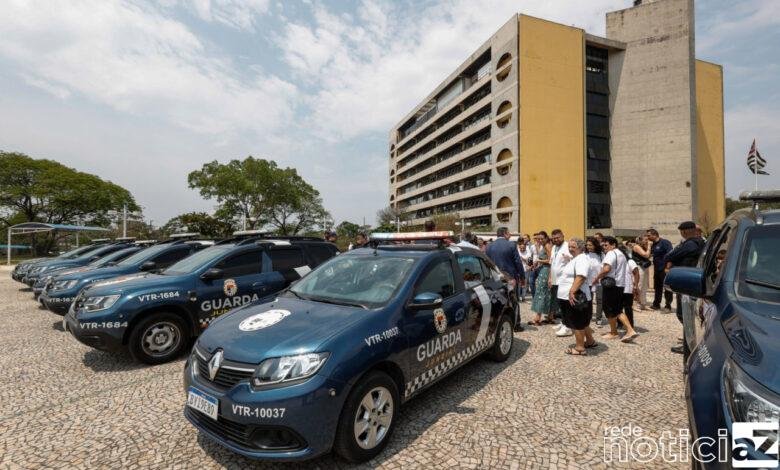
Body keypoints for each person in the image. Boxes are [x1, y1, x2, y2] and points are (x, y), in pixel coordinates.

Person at [664, 221, 706, 354]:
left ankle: (690, 344)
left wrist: (673, 257)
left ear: (685, 231)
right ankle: (691, 339)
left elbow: (669, 256)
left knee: (684, 314)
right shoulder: (701, 242)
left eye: (681, 231)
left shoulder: (690, 244)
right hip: (693, 280)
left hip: (686, 281)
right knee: (689, 314)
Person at [594, 236, 638, 342]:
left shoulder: (611, 253)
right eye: (603, 245)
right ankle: (614, 331)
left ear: (613, 245)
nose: (604, 247)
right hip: (619, 285)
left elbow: (606, 269)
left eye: (606, 245)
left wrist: (597, 278)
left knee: (613, 309)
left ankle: (629, 330)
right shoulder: (621, 254)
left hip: (611, 285)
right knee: (614, 309)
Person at [557, 238, 597, 356]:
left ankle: (580, 348)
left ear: (580, 248)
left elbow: (581, 276)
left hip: (574, 296)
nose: (570, 249)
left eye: (573, 247)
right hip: (570, 296)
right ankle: (590, 341)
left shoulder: (582, 259)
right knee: (582, 321)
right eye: (569, 246)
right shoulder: (577, 259)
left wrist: (572, 291)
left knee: (577, 322)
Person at [486, 227, 525, 331]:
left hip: (494, 279)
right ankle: (516, 324)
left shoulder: (489, 246)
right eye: (509, 233)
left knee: (497, 300)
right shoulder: (511, 245)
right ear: (505, 234)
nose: (510, 235)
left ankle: (496, 324)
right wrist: (522, 277)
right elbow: (518, 262)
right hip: (510, 278)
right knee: (513, 300)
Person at [549, 229, 573, 337]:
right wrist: (550, 278)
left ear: (563, 236)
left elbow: (575, 259)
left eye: (558, 237)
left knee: (565, 304)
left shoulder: (568, 246)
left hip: (565, 281)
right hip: (555, 280)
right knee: (560, 303)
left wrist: (570, 258)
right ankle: (563, 322)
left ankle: (568, 327)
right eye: (554, 238)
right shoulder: (554, 247)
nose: (556, 240)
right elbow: (552, 263)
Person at [529, 231, 553, 326]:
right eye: (538, 238)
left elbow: (551, 260)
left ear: (546, 238)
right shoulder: (544, 245)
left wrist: (538, 260)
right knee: (547, 293)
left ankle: (537, 318)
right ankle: (550, 317)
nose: (540, 240)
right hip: (544, 269)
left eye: (542, 238)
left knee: (540, 292)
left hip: (546, 271)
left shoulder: (547, 246)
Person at [646, 228, 673, 312]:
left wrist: (668, 268)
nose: (647, 237)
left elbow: (670, 255)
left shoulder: (665, 243)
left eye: (649, 235)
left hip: (665, 269)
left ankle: (668, 306)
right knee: (657, 287)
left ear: (655, 235)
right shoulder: (653, 244)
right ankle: (656, 304)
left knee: (667, 287)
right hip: (657, 269)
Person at [585, 237, 605, 326]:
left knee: (599, 300)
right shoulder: (585, 255)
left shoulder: (601, 255)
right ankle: (588, 317)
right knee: (589, 300)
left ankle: (599, 318)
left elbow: (604, 267)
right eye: (587, 245)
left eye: (590, 245)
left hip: (599, 281)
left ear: (595, 245)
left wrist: (598, 278)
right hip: (587, 281)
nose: (588, 247)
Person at [629, 235, 651, 310]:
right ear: (640, 240)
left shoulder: (643, 247)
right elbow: (646, 255)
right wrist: (649, 247)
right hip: (639, 267)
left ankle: (643, 303)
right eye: (645, 240)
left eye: (647, 240)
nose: (647, 241)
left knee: (645, 286)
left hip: (644, 267)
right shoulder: (636, 246)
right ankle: (635, 304)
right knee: (639, 285)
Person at [621, 246, 640, 328]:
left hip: (627, 288)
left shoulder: (630, 262)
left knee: (628, 308)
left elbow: (636, 273)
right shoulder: (618, 262)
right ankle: (620, 323)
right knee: (618, 307)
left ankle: (630, 325)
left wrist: (635, 286)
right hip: (618, 287)